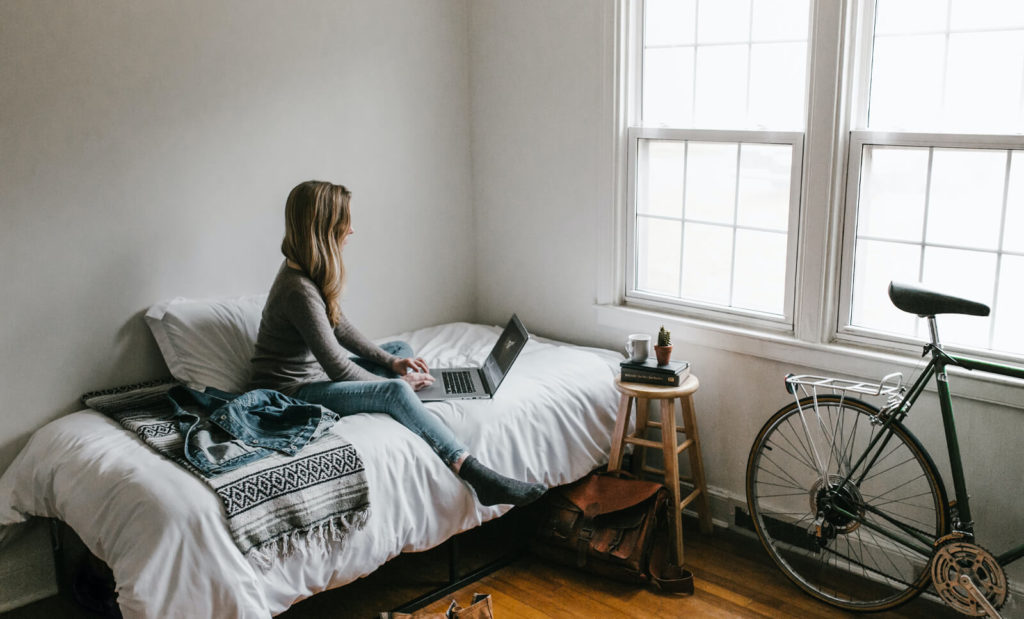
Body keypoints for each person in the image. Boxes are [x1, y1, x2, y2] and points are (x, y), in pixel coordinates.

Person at [248, 180, 545, 506]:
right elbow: (337, 366)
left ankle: (404, 393)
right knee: (396, 390)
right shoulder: (298, 290)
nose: (352, 230)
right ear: (325, 227)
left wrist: (391, 364)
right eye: (345, 222)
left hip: (314, 376)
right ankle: (473, 471)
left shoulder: (307, 272)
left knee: (399, 351)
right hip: (291, 393)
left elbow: (341, 328)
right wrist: (396, 383)